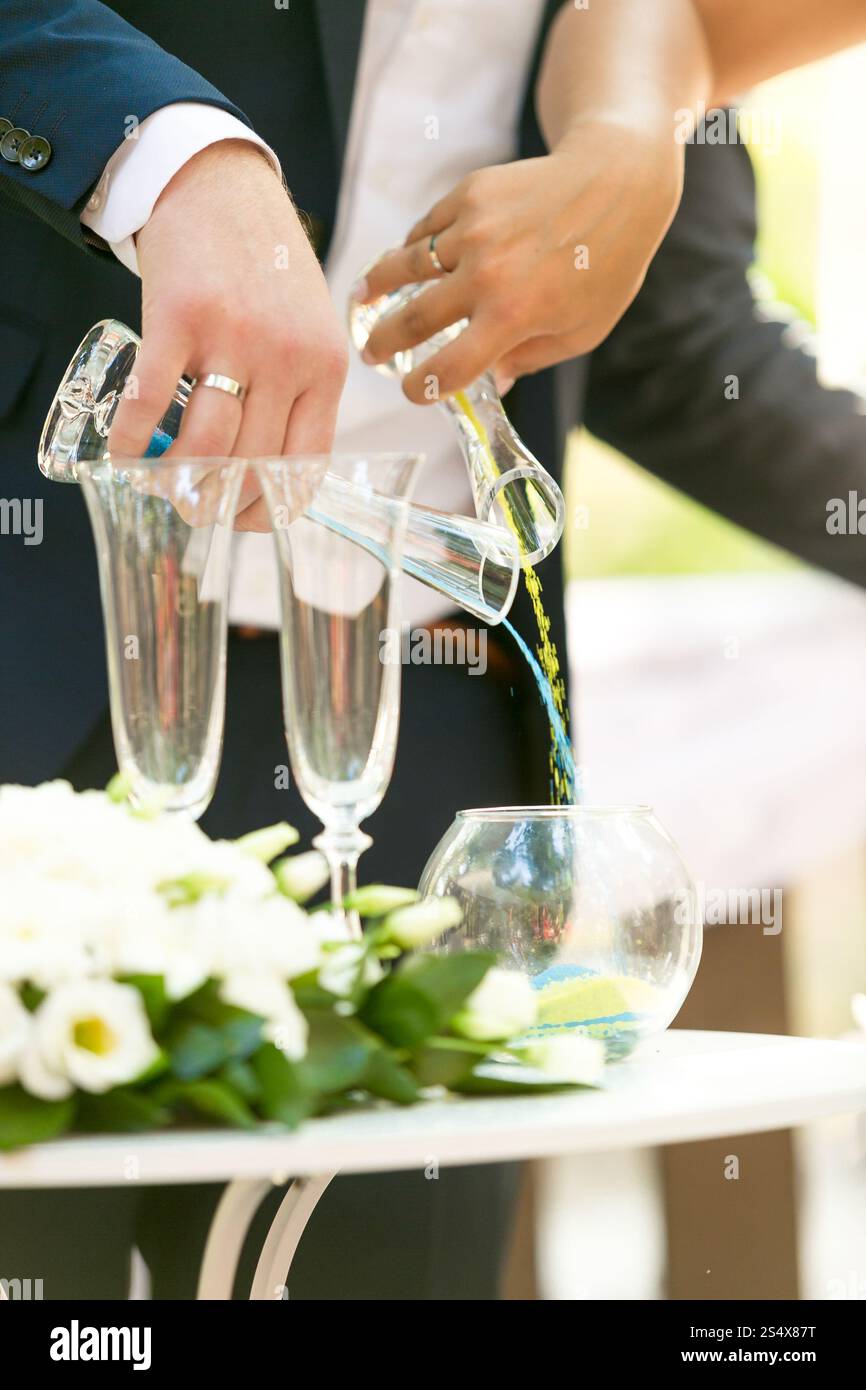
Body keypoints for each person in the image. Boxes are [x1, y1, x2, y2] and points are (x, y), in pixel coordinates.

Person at [1, 0, 865, 1300]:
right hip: (39, 685)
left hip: (425, 787)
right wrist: (170, 158)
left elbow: (672, 344)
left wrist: (624, 151)